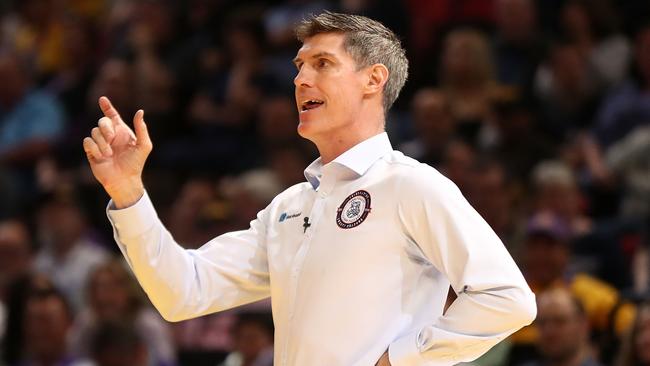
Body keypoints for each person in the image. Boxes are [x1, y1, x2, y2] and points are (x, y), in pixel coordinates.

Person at [83, 11, 536, 365]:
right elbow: (184, 292)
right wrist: (127, 193)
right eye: (299, 66)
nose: (300, 79)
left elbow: (507, 299)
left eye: (323, 64)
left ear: (373, 80)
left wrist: (401, 360)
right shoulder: (289, 206)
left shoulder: (410, 184)